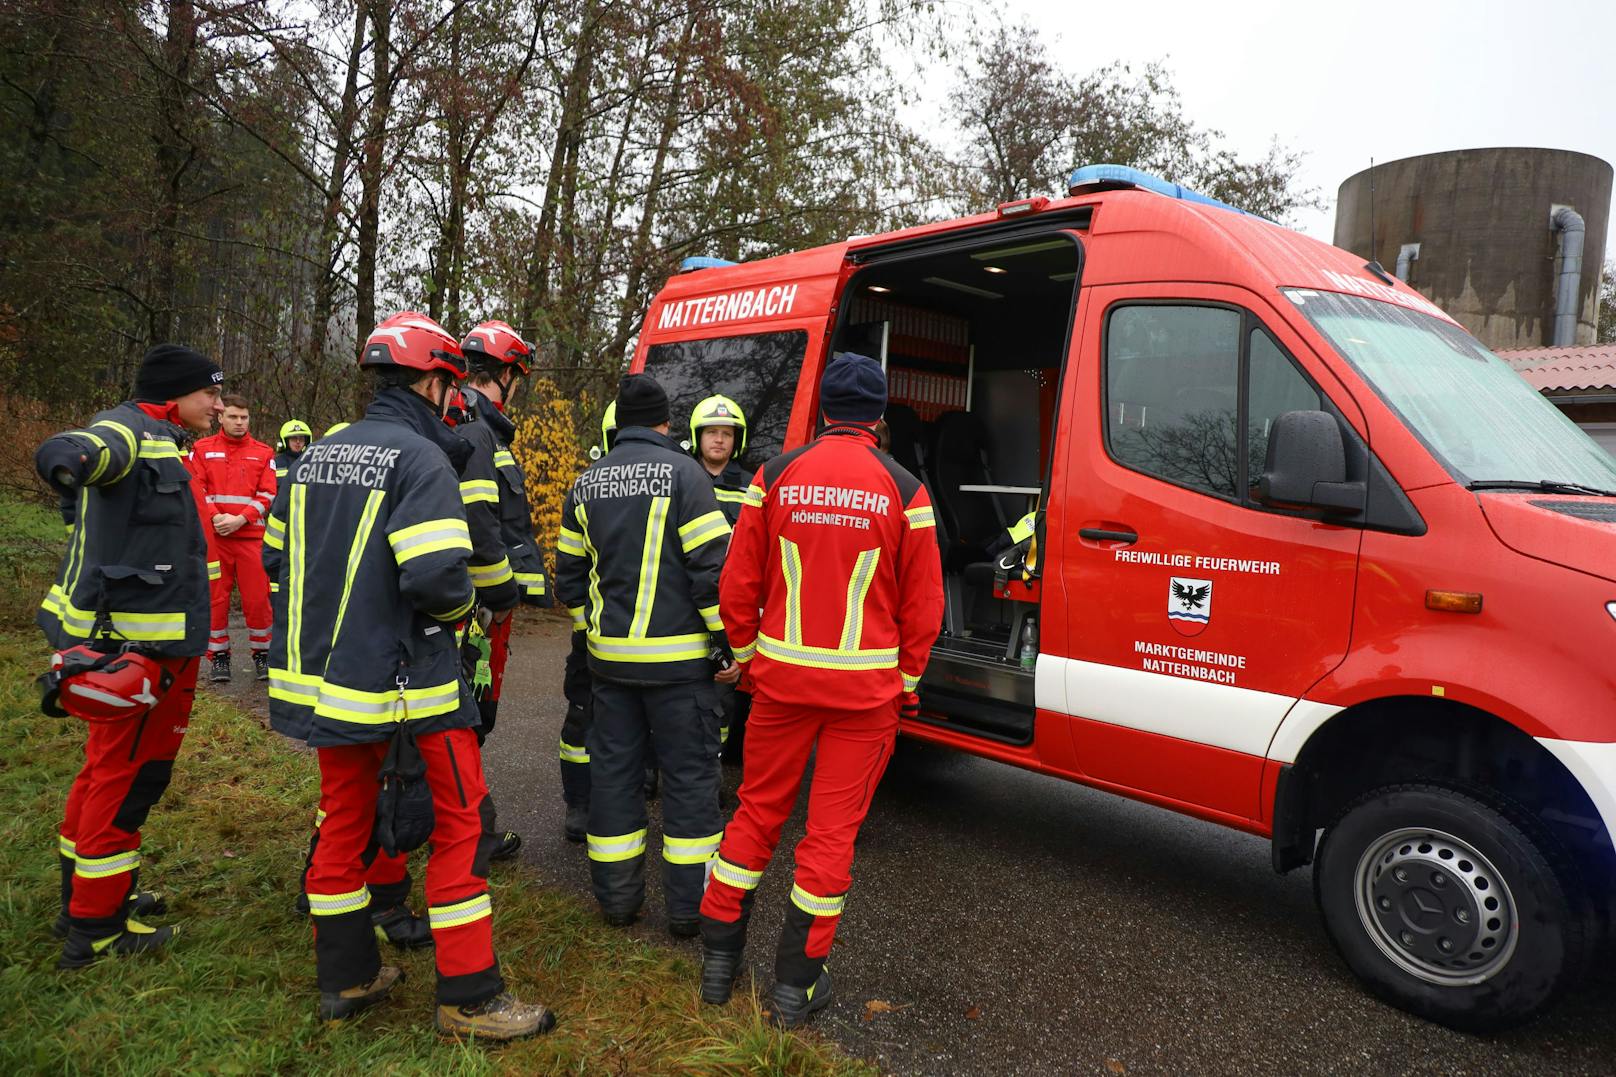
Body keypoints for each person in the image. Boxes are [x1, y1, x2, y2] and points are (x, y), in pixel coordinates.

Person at [262, 311, 553, 1038]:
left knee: (343, 822)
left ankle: (349, 976)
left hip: (329, 684)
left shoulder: (318, 453)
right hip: (411, 685)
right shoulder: (421, 460)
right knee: (460, 827)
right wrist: (467, 608)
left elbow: (275, 556)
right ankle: (471, 996)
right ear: (431, 379)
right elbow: (437, 580)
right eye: (451, 386)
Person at [698, 352, 943, 1026]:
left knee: (754, 816)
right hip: (864, 700)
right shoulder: (906, 489)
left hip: (779, 687)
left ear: (827, 409)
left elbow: (737, 584)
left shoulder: (774, 476)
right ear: (879, 414)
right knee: (830, 838)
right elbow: (924, 606)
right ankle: (794, 986)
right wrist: (908, 686)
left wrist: (746, 660)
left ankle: (719, 963)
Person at [37, 344, 224, 967]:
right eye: (210, 393)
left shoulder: (170, 441)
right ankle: (97, 929)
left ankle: (85, 897)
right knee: (126, 781)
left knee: (102, 772)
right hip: (136, 650)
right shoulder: (129, 430)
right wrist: (69, 459)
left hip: (158, 642)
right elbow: (87, 448)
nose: (219, 405)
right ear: (174, 394)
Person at [555, 374, 732, 935]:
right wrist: (728, 645)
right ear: (665, 423)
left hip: (610, 669)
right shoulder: (688, 477)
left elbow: (568, 581)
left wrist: (594, 635)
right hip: (681, 672)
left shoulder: (584, 485)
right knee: (688, 784)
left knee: (613, 779)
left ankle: (617, 903)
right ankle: (688, 914)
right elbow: (712, 576)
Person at [453, 319, 552, 861]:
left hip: (482, 606)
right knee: (468, 718)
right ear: (508, 374)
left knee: (467, 720)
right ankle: (469, 832)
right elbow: (479, 525)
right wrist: (499, 597)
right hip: (477, 609)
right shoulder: (474, 429)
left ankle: (468, 827)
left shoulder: (481, 427)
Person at [556, 401, 616, 843]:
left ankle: (603, 805)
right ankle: (581, 805)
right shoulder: (585, 489)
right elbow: (570, 572)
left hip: (615, 635)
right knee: (582, 723)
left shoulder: (585, 486)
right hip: (601, 637)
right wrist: (584, 625)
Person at [193, 394, 277, 682]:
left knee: (257, 600)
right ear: (220, 417)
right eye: (233, 417)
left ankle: (263, 654)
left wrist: (240, 518)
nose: (240, 422)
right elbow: (197, 488)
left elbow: (268, 493)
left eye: (244, 417)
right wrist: (216, 517)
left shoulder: (264, 452)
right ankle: (218, 657)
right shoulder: (201, 449)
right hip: (216, 539)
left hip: (251, 537)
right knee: (216, 599)